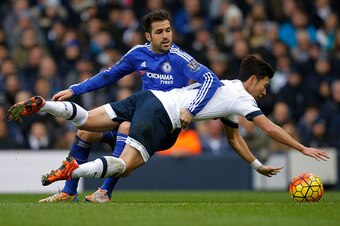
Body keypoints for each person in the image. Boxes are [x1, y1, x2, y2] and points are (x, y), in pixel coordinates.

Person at [8, 55, 329, 187]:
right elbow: (269, 128)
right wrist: (302, 148)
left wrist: (257, 164)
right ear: (254, 80)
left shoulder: (229, 96)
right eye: (265, 84)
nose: (265, 91)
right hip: (164, 116)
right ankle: (75, 170)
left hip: (149, 97)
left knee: (88, 123)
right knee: (125, 166)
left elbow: (234, 139)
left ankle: (47, 105)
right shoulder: (242, 97)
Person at [22, 9, 221, 203]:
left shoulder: (180, 58)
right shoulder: (138, 53)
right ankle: (68, 192)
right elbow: (109, 75)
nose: (166, 36)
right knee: (84, 131)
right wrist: (75, 90)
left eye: (168, 30)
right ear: (148, 36)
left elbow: (210, 79)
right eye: (159, 32)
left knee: (125, 126)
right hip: (140, 117)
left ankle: (104, 192)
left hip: (162, 129)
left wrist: (192, 109)